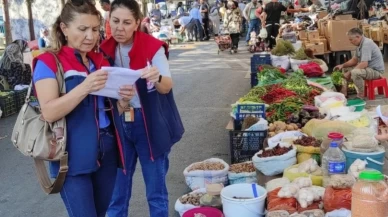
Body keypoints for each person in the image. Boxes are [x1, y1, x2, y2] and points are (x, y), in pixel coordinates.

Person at [32, 0, 134, 216]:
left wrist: (123, 102)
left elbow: (109, 109)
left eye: (95, 29)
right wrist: (85, 87)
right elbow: (49, 112)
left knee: (101, 212)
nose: (90, 36)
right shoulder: (49, 62)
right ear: (64, 28)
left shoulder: (101, 60)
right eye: (83, 29)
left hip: (107, 150)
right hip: (71, 155)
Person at [100, 1, 184, 217]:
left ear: (137, 22)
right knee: (116, 194)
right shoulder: (103, 50)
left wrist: (156, 77)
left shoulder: (152, 48)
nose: (120, 28)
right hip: (119, 124)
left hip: (149, 125)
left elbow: (166, 87)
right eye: (115, 21)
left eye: (127, 22)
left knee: (155, 193)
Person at [334, 28, 385, 98]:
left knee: (355, 72)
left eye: (351, 40)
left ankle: (361, 94)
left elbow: (364, 63)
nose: (350, 42)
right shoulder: (359, 45)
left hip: (376, 71)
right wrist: (342, 65)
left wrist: (349, 73)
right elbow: (354, 60)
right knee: (344, 69)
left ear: (358, 37)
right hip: (368, 69)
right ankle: (344, 93)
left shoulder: (366, 44)